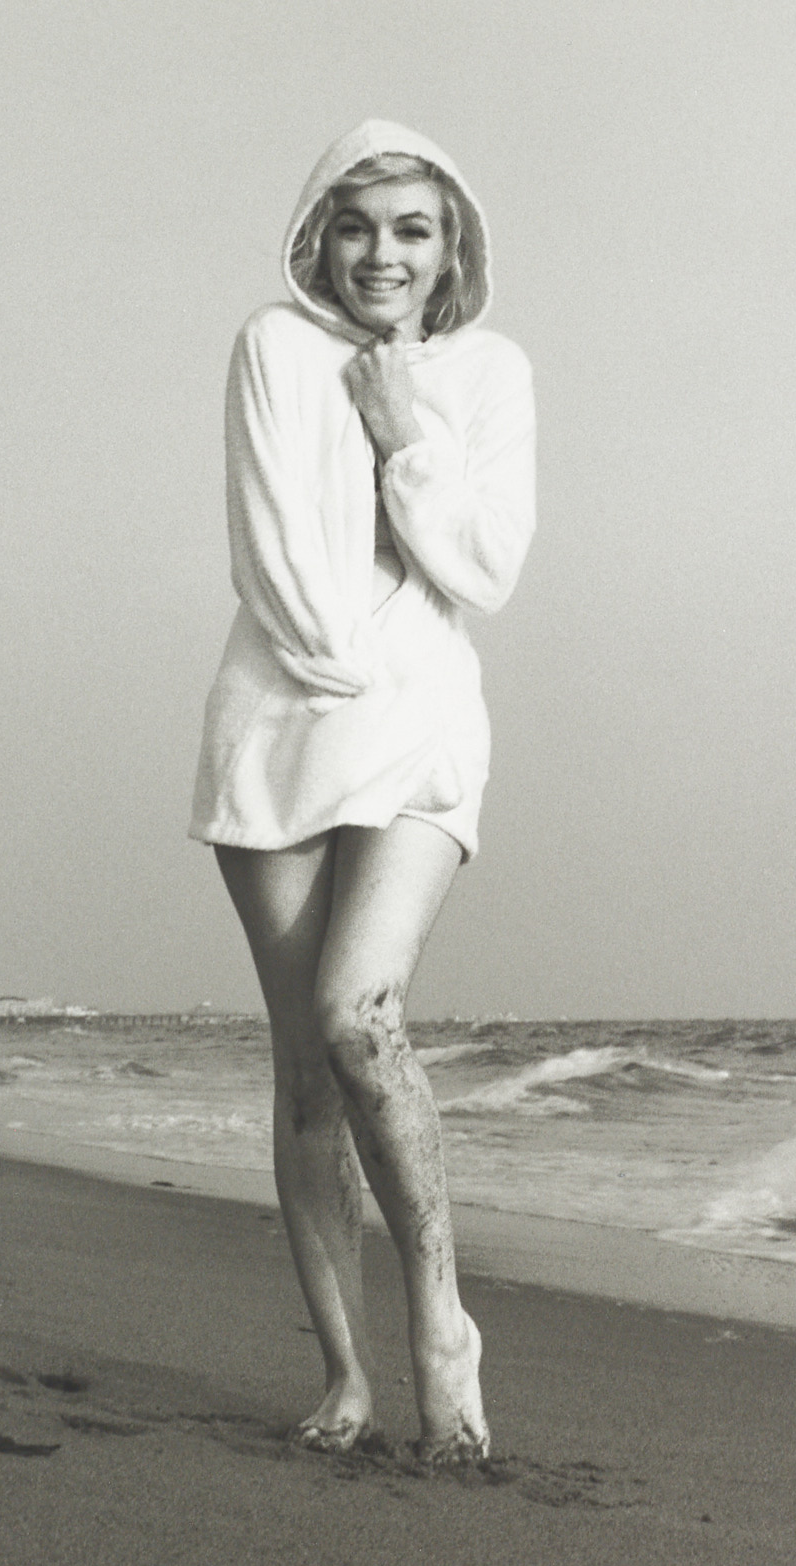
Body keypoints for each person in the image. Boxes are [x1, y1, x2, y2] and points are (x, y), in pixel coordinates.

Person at [190, 120, 536, 1463]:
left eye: (413, 228)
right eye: (358, 225)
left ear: (453, 245)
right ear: (316, 235)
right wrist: (355, 655)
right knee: (302, 1074)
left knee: (357, 1014)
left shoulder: (493, 375)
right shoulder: (272, 348)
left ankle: (441, 1319)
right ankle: (345, 1374)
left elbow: (490, 571)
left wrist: (406, 435)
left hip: (426, 731)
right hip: (281, 716)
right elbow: (270, 547)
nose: (383, 254)